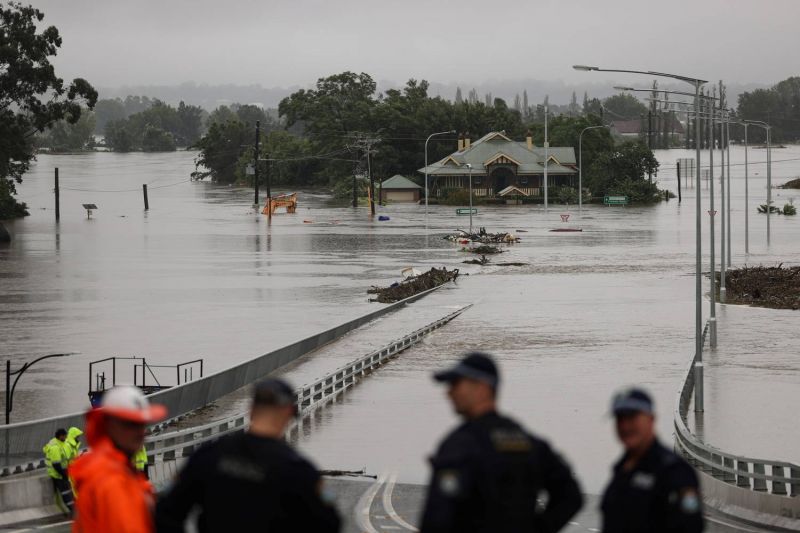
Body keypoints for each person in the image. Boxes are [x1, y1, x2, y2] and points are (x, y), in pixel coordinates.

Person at [420, 352, 583, 533]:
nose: (449, 393)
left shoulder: (461, 444)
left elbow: (438, 517)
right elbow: (570, 496)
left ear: (482, 388)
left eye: (456, 384)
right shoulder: (528, 442)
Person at [156, 378, 341, 533]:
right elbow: (330, 523)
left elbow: (166, 512)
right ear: (288, 413)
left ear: (251, 410)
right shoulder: (298, 470)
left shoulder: (210, 452)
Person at [601, 388, 704, 533]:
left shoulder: (675, 471)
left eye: (632, 417)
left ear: (651, 419)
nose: (625, 426)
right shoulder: (621, 468)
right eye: (620, 419)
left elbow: (691, 525)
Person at [69, 386, 167, 533]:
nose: (140, 432)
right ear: (109, 425)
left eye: (142, 424)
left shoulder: (116, 469)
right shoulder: (111, 480)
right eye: (131, 424)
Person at [44, 428, 74, 515]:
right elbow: (56, 465)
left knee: (68, 492)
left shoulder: (62, 444)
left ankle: (74, 510)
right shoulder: (55, 448)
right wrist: (64, 475)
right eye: (64, 436)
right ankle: (73, 511)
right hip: (58, 474)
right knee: (66, 493)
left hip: (63, 472)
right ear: (60, 436)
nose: (66, 437)